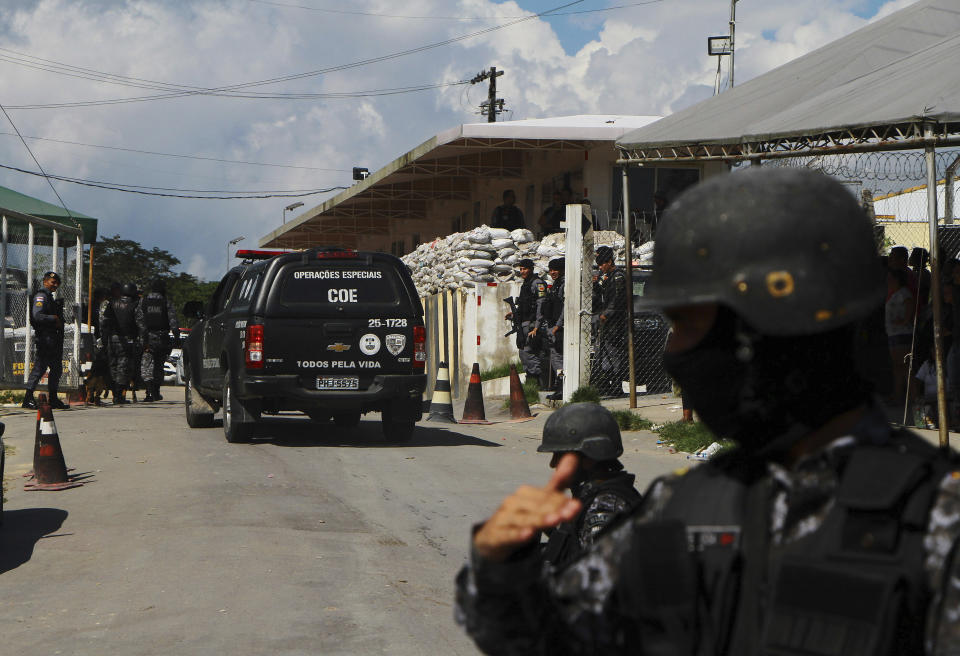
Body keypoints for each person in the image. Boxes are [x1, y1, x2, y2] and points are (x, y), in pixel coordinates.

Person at [455, 168, 960, 654]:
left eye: (691, 326)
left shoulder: (938, 521)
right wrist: (502, 569)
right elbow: (565, 637)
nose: (676, 352)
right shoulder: (689, 508)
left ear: (761, 335)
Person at [536, 403, 641, 570]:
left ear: (589, 458)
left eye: (560, 456)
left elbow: (596, 579)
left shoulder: (605, 506)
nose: (553, 464)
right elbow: (576, 549)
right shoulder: (594, 494)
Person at [21, 271, 67, 410]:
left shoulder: (49, 297)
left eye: (57, 283)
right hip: (45, 338)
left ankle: (53, 398)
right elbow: (37, 315)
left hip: (53, 338)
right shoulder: (41, 296)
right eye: (52, 282)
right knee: (40, 368)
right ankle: (28, 397)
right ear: (45, 281)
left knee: (56, 369)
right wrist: (54, 318)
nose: (55, 285)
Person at [505, 258, 547, 387]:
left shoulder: (537, 283)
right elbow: (525, 305)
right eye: (521, 269)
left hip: (533, 324)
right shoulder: (525, 284)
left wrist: (537, 326)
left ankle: (536, 383)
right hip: (524, 324)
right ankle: (530, 380)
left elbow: (541, 305)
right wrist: (514, 314)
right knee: (523, 352)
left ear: (531, 269)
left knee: (530, 352)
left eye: (525, 269)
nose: (522, 271)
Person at [136, 278, 180, 402]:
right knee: (159, 366)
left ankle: (149, 392)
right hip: (162, 338)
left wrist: (142, 336)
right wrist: (176, 337)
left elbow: (139, 320)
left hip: (147, 338)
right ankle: (155, 391)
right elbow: (173, 322)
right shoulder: (166, 302)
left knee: (146, 366)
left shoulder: (143, 302)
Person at [592, 245, 627, 397]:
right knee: (604, 353)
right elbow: (602, 294)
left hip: (616, 322)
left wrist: (607, 313)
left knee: (614, 354)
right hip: (606, 322)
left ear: (609, 262)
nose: (600, 267)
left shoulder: (618, 276)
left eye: (602, 264)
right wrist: (596, 284)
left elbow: (617, 299)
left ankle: (617, 385)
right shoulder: (606, 277)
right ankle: (608, 383)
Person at [101, 282, 140, 404]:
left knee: (113, 366)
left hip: (112, 340)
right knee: (123, 368)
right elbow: (141, 324)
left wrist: (104, 339)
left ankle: (115, 393)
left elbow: (105, 322)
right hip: (127, 340)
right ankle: (119, 395)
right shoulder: (135, 304)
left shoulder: (112, 303)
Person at [886, 267, 915, 409]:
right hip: (893, 334)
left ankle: (913, 399)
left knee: (905, 367)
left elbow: (910, 305)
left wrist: (904, 320)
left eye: (890, 278)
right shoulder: (894, 294)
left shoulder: (903, 293)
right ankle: (898, 397)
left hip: (902, 334)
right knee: (897, 368)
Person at [544, 258, 565, 400]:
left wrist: (558, 325)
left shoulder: (563, 285)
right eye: (551, 270)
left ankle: (562, 387)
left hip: (559, 328)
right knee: (556, 359)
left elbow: (565, 307)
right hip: (553, 327)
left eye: (555, 270)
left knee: (559, 359)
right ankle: (559, 386)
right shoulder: (556, 285)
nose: (553, 272)